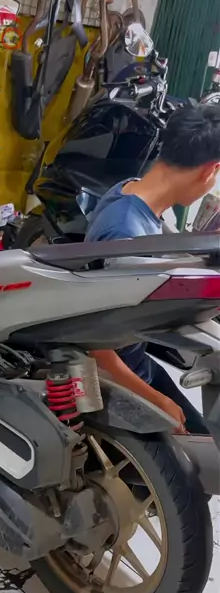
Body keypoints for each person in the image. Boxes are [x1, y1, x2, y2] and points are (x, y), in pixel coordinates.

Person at [86, 104, 220, 434]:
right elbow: (96, 345)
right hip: (117, 378)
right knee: (195, 451)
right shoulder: (125, 234)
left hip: (136, 358)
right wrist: (156, 401)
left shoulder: (133, 190)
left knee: (200, 431)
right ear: (210, 171)